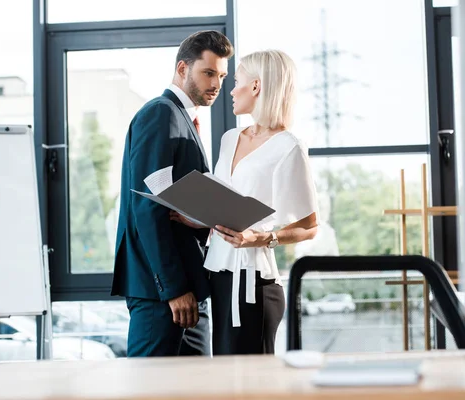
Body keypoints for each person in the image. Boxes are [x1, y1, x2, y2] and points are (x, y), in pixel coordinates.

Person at [171, 50, 319, 355]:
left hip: (255, 285)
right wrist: (196, 216)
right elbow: (223, 202)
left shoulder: (289, 147)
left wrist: (261, 238)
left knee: (251, 384)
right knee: (227, 381)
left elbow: (309, 227)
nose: (230, 89)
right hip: (219, 278)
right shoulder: (229, 138)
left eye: (235, 81)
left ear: (256, 87)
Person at [111, 30, 234, 357]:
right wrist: (174, 288)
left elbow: (174, 201)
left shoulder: (183, 119)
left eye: (221, 75)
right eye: (208, 73)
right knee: (149, 388)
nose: (217, 84)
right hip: (163, 294)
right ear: (183, 69)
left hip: (190, 288)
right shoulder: (161, 113)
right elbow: (148, 206)